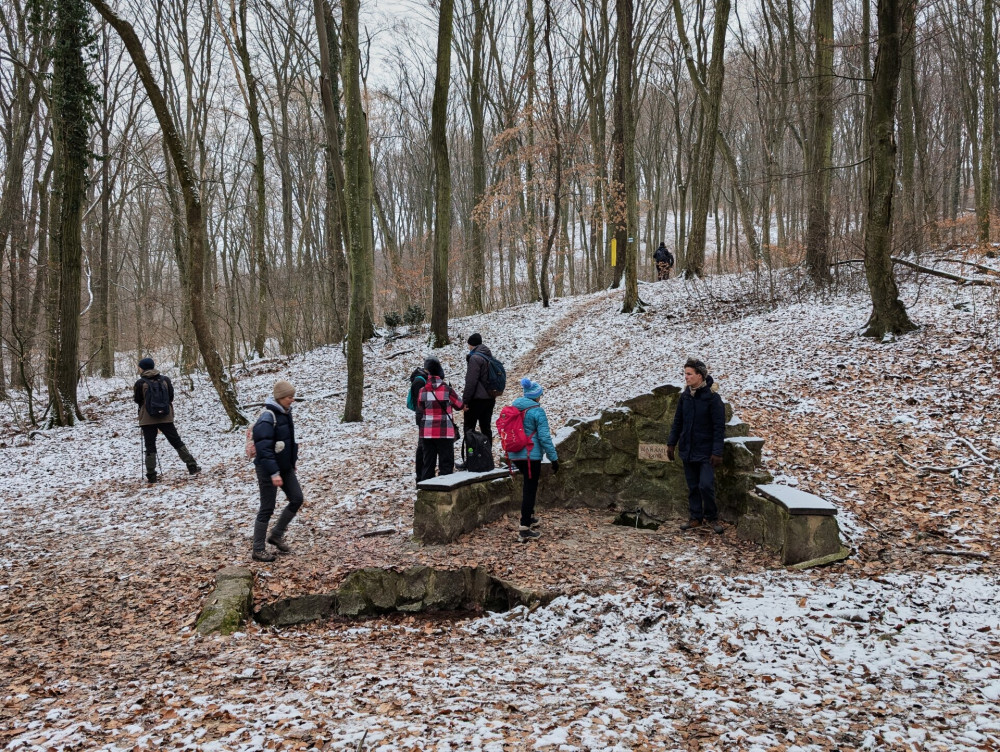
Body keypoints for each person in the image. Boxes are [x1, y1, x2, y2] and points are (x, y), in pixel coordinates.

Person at [667, 358, 725, 534]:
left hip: (706, 451)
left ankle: (712, 517)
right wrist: (671, 443)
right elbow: (678, 422)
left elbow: (718, 427)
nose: (686, 377)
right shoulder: (685, 396)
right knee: (692, 486)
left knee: (705, 485)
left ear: (699, 376)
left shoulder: (713, 399)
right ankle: (695, 518)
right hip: (688, 449)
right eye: (685, 373)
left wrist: (717, 452)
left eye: (689, 374)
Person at [250, 380, 304, 562]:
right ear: (280, 398)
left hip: (284, 467)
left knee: (297, 498)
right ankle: (258, 549)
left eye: (293, 396)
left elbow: (287, 441)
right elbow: (264, 450)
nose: (292, 400)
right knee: (267, 508)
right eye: (290, 397)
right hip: (267, 469)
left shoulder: (285, 413)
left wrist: (291, 462)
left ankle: (276, 535)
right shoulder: (267, 418)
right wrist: (274, 473)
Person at [506, 377, 559, 543]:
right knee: (530, 488)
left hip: (514, 454)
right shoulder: (537, 411)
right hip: (530, 455)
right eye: (540, 395)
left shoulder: (514, 408)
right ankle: (524, 528)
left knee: (528, 486)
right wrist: (554, 458)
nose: (540, 398)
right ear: (535, 396)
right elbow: (544, 438)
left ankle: (530, 516)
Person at [133, 357, 200, 483]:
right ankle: (192, 466)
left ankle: (151, 475)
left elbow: (137, 400)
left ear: (142, 368)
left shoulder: (140, 383)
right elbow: (171, 396)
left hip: (147, 419)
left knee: (150, 445)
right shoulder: (165, 380)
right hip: (166, 416)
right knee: (176, 441)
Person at [417, 358, 464, 481]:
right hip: (445, 432)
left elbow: (420, 407)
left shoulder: (422, 391)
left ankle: (427, 490)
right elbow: (459, 405)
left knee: (428, 463)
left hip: (427, 432)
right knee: (446, 464)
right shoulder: (447, 389)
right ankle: (445, 493)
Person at [463, 333, 497, 447]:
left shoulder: (475, 358)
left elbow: (471, 382)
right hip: (490, 398)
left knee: (469, 429)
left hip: (477, 400)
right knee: (486, 428)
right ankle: (487, 460)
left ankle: (471, 461)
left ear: (471, 345)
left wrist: (466, 401)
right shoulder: (488, 356)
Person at [408, 363, 429, 486]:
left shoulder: (422, 379)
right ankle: (420, 477)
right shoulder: (419, 382)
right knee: (422, 447)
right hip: (422, 417)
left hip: (424, 416)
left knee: (424, 446)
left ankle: (423, 475)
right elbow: (420, 403)